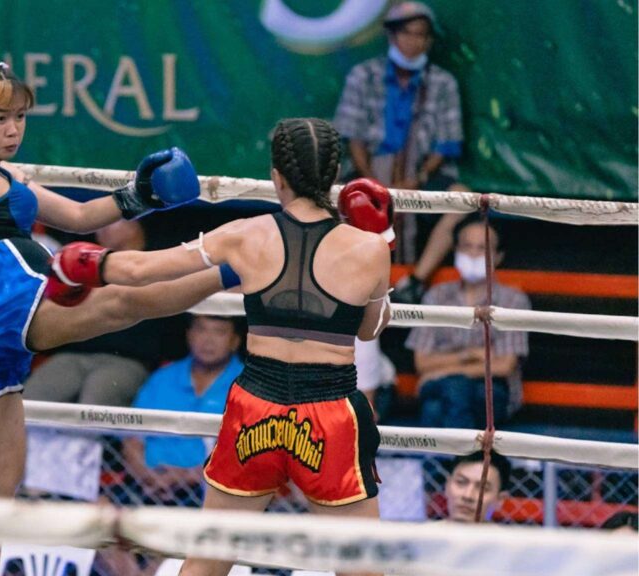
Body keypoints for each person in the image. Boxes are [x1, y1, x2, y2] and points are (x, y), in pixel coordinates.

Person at [0, 62, 230, 576]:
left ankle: (234, 269)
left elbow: (76, 218)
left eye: (21, 117)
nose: (13, 129)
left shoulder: (0, 174)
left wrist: (141, 195)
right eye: (0, 117)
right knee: (122, 302)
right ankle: (237, 268)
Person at [51, 118, 394, 576]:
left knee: (206, 561)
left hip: (256, 407)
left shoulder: (246, 235)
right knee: (361, 567)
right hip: (328, 415)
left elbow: (142, 271)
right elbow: (371, 329)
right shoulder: (370, 249)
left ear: (277, 175)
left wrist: (85, 264)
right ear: (335, 177)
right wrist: (383, 239)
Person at [333, 1, 468, 303]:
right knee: (333, 200)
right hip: (368, 171)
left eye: (422, 35)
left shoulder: (443, 82)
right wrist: (372, 182)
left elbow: (446, 144)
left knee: (462, 201)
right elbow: (352, 136)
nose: (414, 42)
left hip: (420, 173)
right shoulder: (363, 75)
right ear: (392, 36)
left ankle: (416, 280)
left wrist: (417, 178)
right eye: (407, 33)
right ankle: (348, 282)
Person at [406, 216, 530, 429]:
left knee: (440, 406)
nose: (473, 254)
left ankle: (453, 458)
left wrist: (446, 369)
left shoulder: (514, 301)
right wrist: (472, 355)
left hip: (490, 390)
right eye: (467, 246)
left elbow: (504, 366)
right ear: (455, 250)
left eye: (483, 248)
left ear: (498, 256)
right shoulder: (436, 297)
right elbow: (422, 362)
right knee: (452, 392)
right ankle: (467, 458)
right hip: (441, 385)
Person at [24, 220, 164, 407]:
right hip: (73, 355)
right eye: (101, 223)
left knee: (95, 403)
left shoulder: (157, 264)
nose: (102, 228)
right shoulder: (81, 261)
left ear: (134, 225)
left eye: (111, 223)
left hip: (127, 360)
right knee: (29, 401)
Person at [123, 314, 244, 506]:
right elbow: (132, 440)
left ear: (235, 341)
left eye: (219, 332)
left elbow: (245, 454)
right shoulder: (162, 378)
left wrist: (186, 476)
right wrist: (147, 476)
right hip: (148, 485)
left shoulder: (248, 385)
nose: (208, 340)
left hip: (211, 490)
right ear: (189, 335)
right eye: (201, 329)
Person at [444, 450, 511, 523]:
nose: (468, 495)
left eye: (483, 489)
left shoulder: (507, 534)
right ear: (447, 485)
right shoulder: (430, 532)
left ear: (500, 499)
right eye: (461, 482)